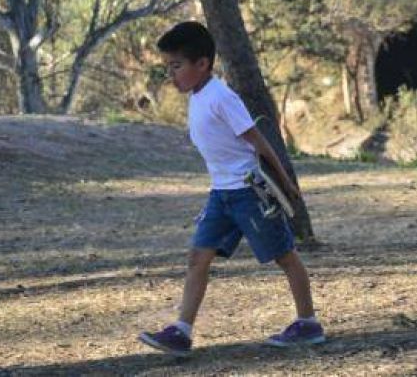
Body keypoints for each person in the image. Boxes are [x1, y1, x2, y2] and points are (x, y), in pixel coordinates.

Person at [138, 21, 323, 356]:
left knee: (284, 255)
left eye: (176, 66)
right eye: (168, 67)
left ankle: (308, 323)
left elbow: (259, 142)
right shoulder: (197, 97)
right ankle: (181, 332)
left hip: (249, 192)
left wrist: (285, 183)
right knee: (198, 258)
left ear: (202, 64)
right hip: (220, 195)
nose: (171, 74)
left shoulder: (222, 97)